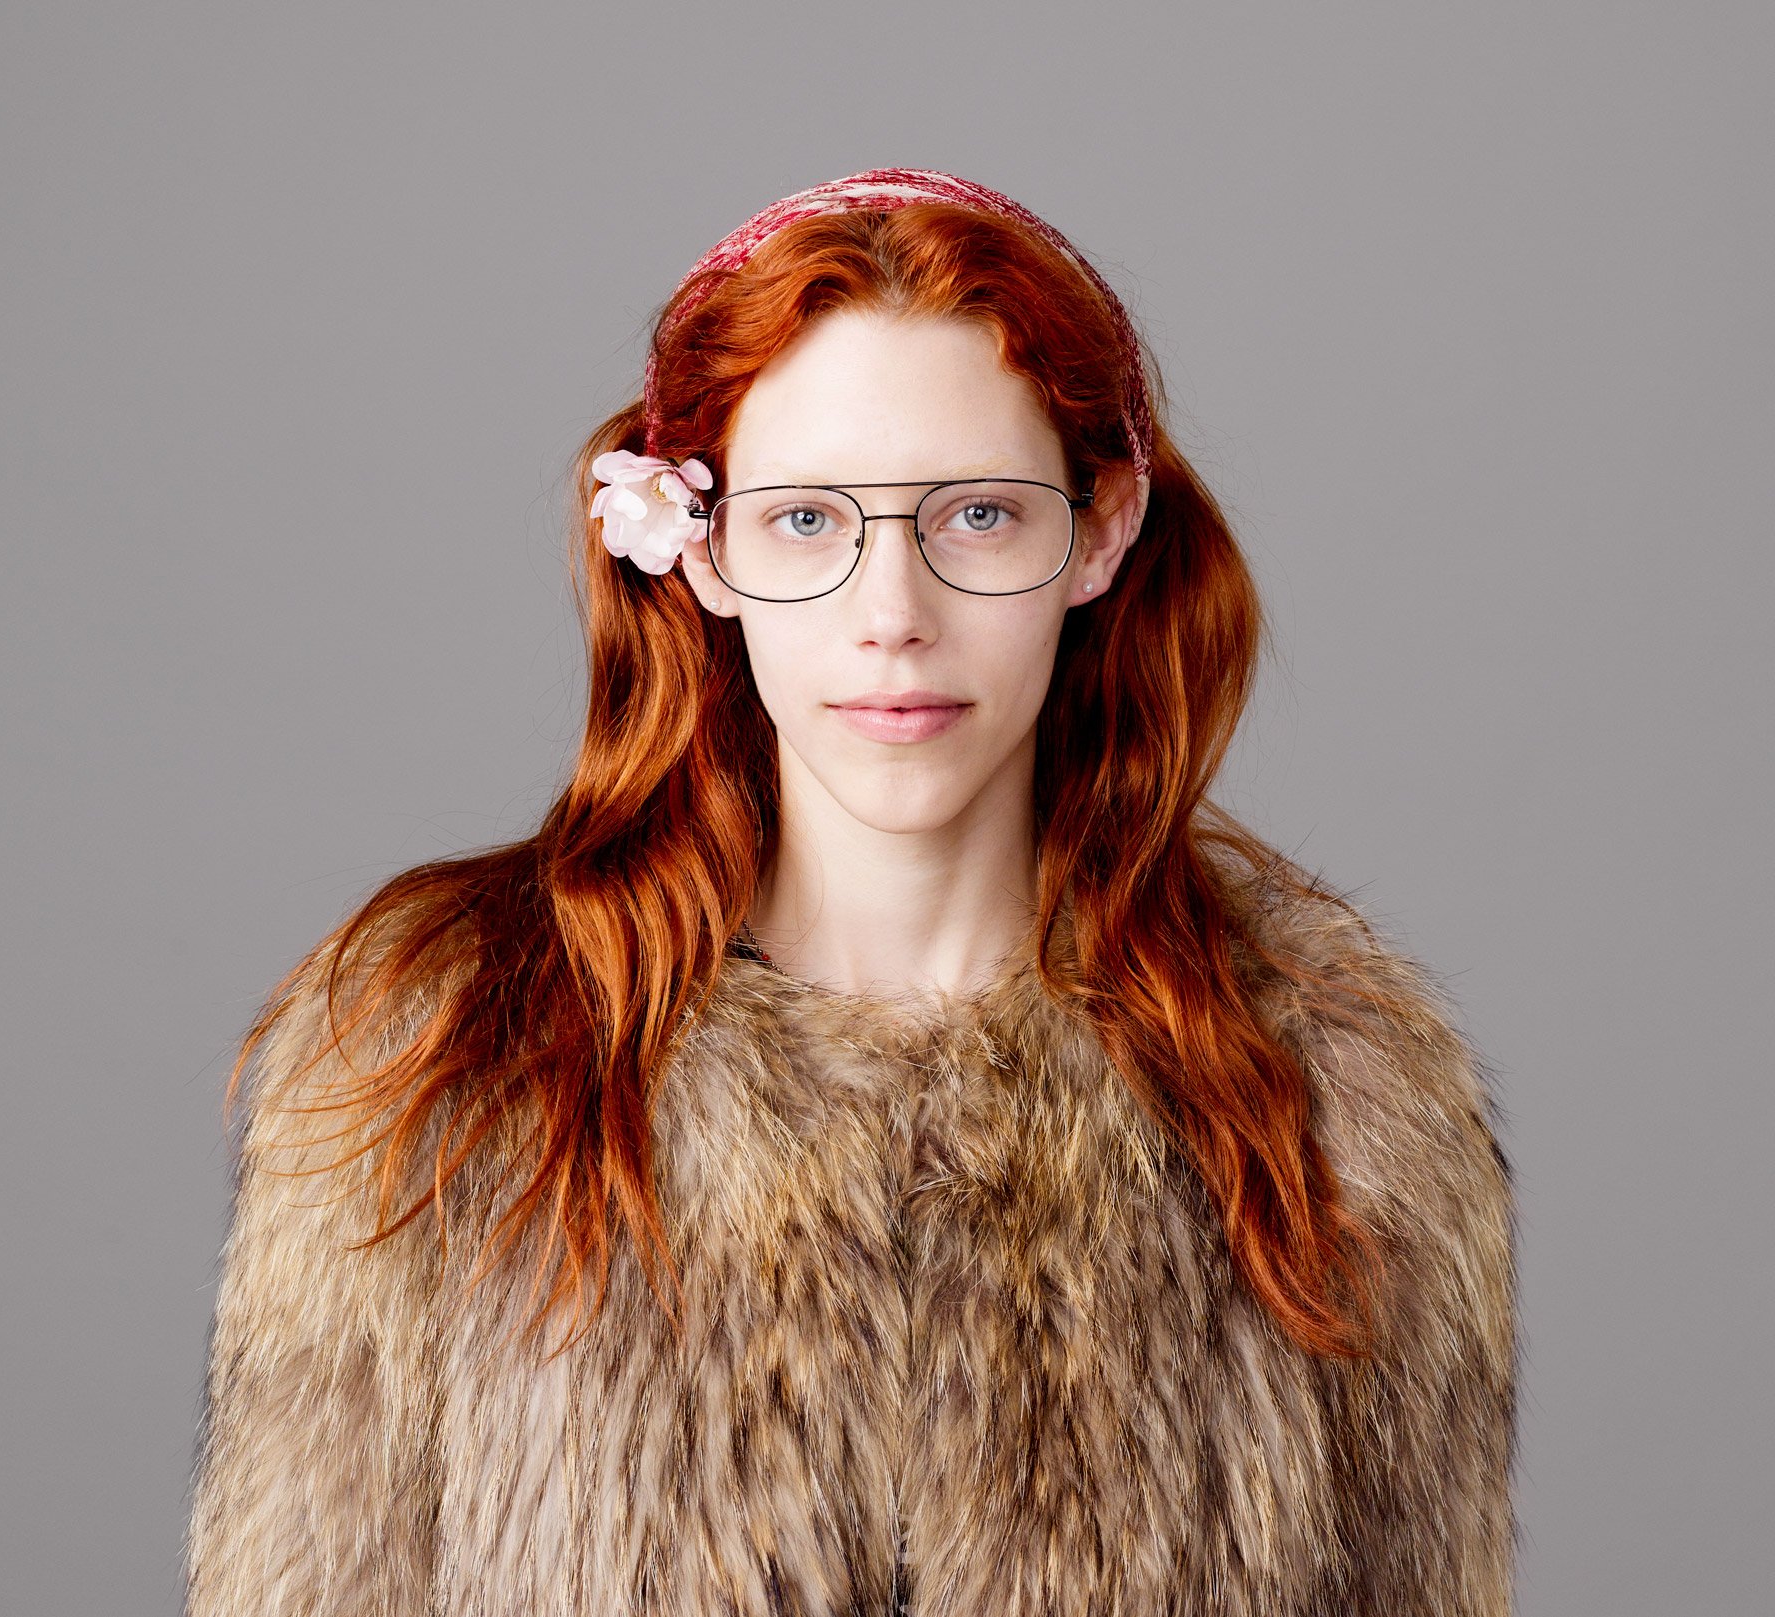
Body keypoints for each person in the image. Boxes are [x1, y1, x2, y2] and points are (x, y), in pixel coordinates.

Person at [182, 167, 1519, 1615]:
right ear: (701, 546)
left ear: (1106, 528)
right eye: (811, 520)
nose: (894, 615)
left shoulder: (1335, 1087)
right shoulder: (431, 1058)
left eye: (980, 517)